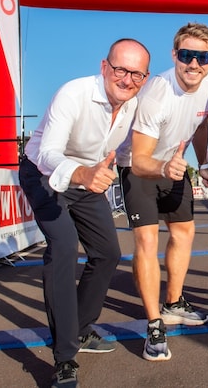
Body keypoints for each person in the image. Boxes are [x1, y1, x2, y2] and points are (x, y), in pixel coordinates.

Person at [19, 39, 151, 387]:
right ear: (105, 67)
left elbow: (124, 155)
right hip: (46, 175)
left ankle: (78, 329)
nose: (127, 80)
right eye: (121, 70)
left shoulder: (133, 105)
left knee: (108, 253)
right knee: (63, 249)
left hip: (89, 180)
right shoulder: (73, 93)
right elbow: (48, 153)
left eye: (137, 74)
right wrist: (83, 174)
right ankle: (64, 357)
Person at [117, 22, 208, 362]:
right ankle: (154, 325)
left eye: (202, 57)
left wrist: (203, 163)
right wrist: (165, 168)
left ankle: (173, 302)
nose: (194, 64)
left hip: (174, 164)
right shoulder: (156, 95)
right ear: (175, 55)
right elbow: (140, 158)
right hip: (140, 166)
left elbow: (201, 123)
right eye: (187, 55)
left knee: (185, 233)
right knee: (147, 241)